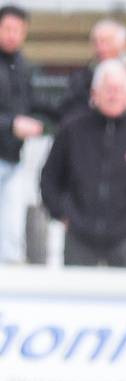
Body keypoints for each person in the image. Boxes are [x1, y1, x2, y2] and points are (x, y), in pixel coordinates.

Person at [39, 59, 126, 269]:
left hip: (125, 237)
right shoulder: (71, 130)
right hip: (78, 236)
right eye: (108, 89)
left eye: (119, 90)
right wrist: (62, 213)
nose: (113, 95)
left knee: (125, 291)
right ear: (94, 93)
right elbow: (50, 177)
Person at [0, 4, 45, 264]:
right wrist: (11, 125)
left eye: (18, 30)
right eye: (7, 28)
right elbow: (13, 118)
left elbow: (33, 104)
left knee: (11, 234)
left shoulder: (23, 66)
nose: (12, 35)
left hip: (13, 158)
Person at [58, 19, 126, 123]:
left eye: (106, 42)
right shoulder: (83, 76)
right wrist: (94, 105)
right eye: (96, 42)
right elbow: (68, 109)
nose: (100, 48)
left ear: (124, 44)